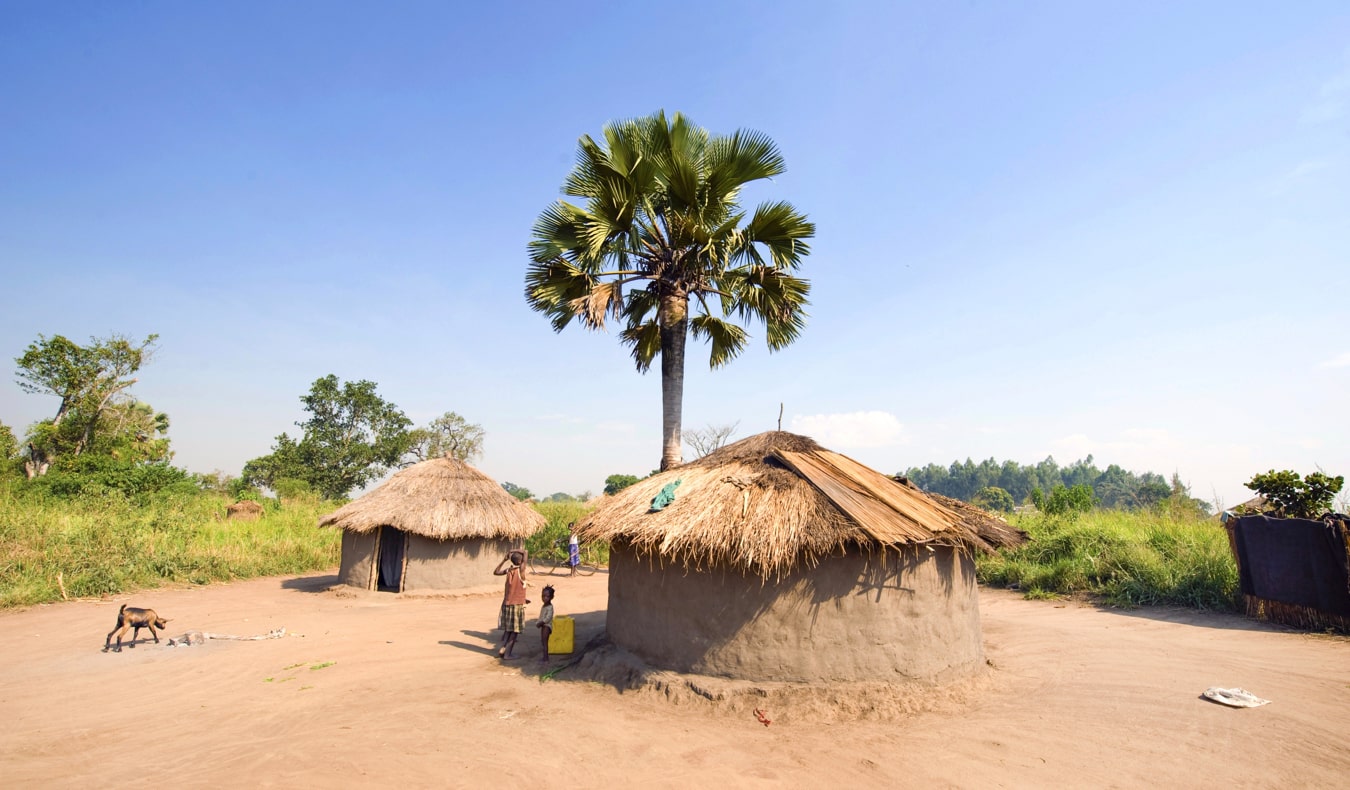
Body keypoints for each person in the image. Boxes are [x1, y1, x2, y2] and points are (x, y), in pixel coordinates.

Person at [493, 550, 528, 660]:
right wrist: (513, 551)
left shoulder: (509, 570)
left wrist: (504, 559)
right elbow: (526, 552)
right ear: (520, 561)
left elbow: (496, 571)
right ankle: (508, 654)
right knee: (515, 631)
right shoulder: (520, 571)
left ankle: (503, 649)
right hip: (516, 605)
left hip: (507, 603)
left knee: (508, 630)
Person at [536, 585, 555, 665]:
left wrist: (541, 623)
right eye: (543, 596)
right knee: (543, 642)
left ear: (551, 597)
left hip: (547, 626)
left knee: (545, 643)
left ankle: (546, 659)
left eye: (547, 596)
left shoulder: (550, 607)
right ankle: (544, 657)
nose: (544, 598)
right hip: (544, 626)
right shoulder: (544, 606)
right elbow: (541, 616)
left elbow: (548, 618)